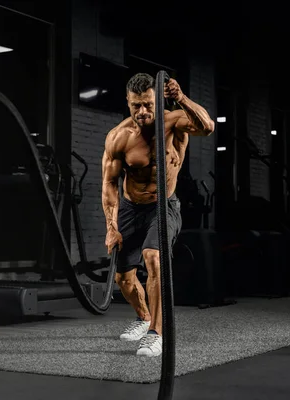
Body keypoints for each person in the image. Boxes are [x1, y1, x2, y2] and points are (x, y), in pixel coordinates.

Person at [101, 73, 215, 357]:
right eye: (136, 105)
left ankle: (157, 333)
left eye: (148, 105)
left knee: (153, 257)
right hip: (129, 208)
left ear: (158, 100)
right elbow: (108, 184)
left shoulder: (174, 121)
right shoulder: (119, 137)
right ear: (128, 102)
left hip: (163, 205)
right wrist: (111, 226)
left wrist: (181, 98)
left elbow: (208, 127)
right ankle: (144, 318)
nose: (142, 112)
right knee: (123, 279)